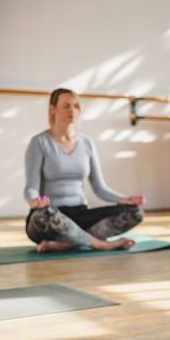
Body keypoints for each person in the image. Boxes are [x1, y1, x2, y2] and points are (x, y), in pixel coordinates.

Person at [24, 88, 145, 253]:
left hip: (80, 215)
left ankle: (67, 244)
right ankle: (101, 244)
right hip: (49, 217)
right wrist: (35, 200)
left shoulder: (87, 143)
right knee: (43, 215)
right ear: (52, 109)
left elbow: (99, 188)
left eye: (75, 106)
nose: (72, 110)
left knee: (135, 212)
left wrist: (123, 200)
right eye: (66, 106)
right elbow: (30, 187)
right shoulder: (39, 142)